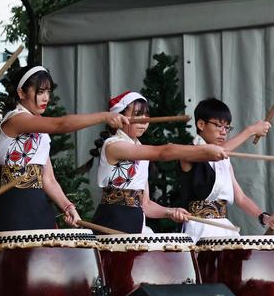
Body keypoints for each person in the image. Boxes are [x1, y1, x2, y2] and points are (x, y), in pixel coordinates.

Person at [0, 65, 126, 232]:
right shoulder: (16, 119)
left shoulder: (40, 134)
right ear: (21, 93)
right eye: (40, 92)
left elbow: (48, 179)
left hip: (37, 205)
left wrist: (67, 207)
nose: (46, 98)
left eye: (48, 92)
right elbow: (60, 124)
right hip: (13, 207)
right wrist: (104, 116)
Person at [87, 90, 227, 234]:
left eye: (146, 115)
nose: (144, 120)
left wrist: (170, 211)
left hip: (135, 220)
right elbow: (162, 152)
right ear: (120, 117)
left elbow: (145, 204)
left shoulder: (140, 149)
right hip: (112, 220)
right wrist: (203, 151)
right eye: (137, 115)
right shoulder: (113, 145)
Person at [178, 97, 274, 241]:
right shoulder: (188, 152)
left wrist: (265, 217)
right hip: (197, 228)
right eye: (218, 125)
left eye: (227, 127)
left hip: (222, 227)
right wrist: (250, 131)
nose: (223, 132)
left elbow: (240, 198)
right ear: (201, 124)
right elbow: (213, 153)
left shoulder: (224, 159)